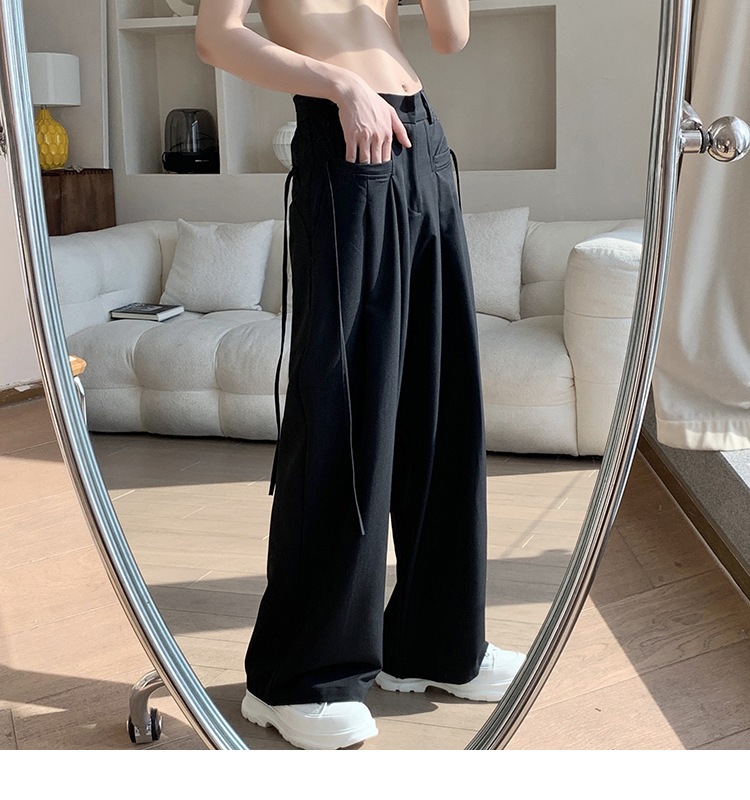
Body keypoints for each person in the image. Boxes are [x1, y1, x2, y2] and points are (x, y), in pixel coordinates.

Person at [195, 0, 525, 750]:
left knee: (441, 408)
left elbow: (451, 36)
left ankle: (436, 644)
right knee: (345, 414)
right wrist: (337, 85)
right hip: (344, 138)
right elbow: (215, 38)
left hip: (422, 141)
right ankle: (296, 676)